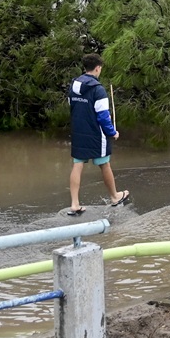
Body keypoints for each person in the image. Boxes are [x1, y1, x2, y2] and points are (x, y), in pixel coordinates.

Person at [67, 53, 129, 216]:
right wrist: (112, 132)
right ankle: (115, 197)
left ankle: (74, 204)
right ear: (97, 68)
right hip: (96, 134)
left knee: (77, 164)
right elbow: (102, 116)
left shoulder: (74, 85)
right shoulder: (98, 90)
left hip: (78, 132)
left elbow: (71, 106)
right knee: (104, 164)